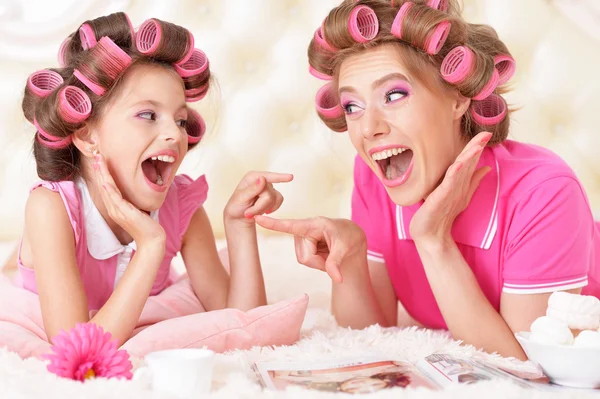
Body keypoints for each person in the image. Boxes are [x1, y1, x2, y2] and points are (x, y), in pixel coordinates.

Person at [256, 0, 600, 360]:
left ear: (457, 98)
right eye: (352, 107)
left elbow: (525, 365)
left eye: (393, 95)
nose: (369, 129)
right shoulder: (378, 177)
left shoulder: (544, 192)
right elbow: (366, 334)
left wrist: (435, 241)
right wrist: (352, 257)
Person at [15, 12, 290, 346]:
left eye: (180, 121)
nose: (174, 134)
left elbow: (244, 324)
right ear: (88, 137)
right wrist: (149, 247)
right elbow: (76, 349)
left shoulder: (181, 207)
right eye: (148, 115)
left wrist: (239, 224)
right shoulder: (51, 208)